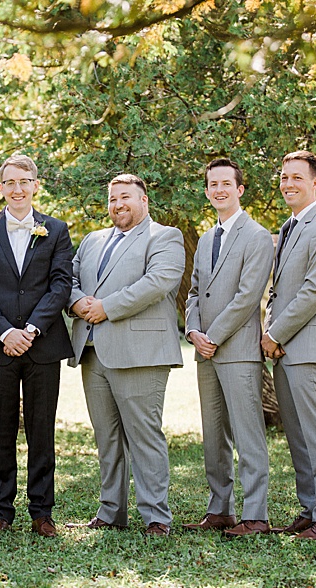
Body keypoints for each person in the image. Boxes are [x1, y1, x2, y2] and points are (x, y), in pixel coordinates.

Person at [66, 174, 184, 536]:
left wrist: (106, 307)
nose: (118, 204)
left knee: (144, 435)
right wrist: (76, 302)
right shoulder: (92, 240)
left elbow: (157, 283)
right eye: (113, 198)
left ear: (144, 200)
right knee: (107, 437)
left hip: (141, 353)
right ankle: (111, 511)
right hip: (91, 350)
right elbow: (66, 279)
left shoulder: (165, 237)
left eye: (126, 197)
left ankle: (156, 517)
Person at [0, 155, 74, 538]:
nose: (18, 189)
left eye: (24, 181)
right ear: (1, 188)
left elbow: (61, 284)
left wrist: (30, 329)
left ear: (35, 185)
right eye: (10, 182)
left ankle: (42, 512)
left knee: (42, 431)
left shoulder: (55, 230)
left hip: (43, 346)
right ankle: (1, 513)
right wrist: (6, 333)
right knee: (0, 430)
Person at [182, 158, 275, 537]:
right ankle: (220, 509)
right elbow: (192, 292)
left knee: (247, 434)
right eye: (212, 184)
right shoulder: (206, 239)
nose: (218, 189)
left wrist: (213, 336)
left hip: (236, 351)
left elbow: (247, 297)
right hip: (204, 351)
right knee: (213, 434)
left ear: (239, 189)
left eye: (226, 183)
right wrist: (192, 331)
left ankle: (257, 515)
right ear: (207, 191)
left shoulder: (257, 236)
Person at [262, 150, 316, 540]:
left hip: (308, 347)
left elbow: (314, 292)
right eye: (284, 177)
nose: (288, 184)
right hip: (284, 349)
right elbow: (280, 291)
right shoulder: (290, 225)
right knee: (296, 435)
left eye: (297, 177)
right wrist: (273, 334)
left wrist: (275, 334)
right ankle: (310, 509)